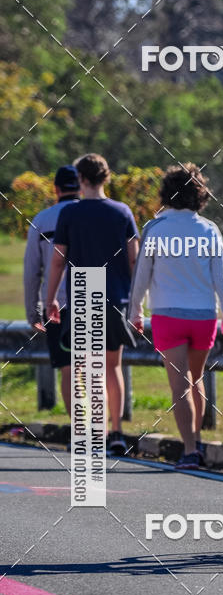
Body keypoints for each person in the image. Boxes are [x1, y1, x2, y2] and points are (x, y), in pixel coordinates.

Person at [129, 163, 223, 470]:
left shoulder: (154, 228)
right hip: (204, 316)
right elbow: (222, 280)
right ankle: (198, 440)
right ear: (199, 195)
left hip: (167, 315)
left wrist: (135, 311)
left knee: (179, 385)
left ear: (166, 193)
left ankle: (190, 450)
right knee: (196, 378)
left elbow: (141, 278)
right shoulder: (209, 230)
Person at [46, 153, 140, 455]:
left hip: (84, 295)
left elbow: (58, 261)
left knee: (83, 367)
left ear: (81, 179)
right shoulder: (122, 212)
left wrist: (49, 300)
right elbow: (134, 259)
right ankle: (116, 432)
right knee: (113, 367)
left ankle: (85, 432)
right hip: (116, 297)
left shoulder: (70, 214)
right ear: (106, 177)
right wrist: (138, 304)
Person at [23, 166, 80, 414]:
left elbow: (32, 271)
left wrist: (33, 311)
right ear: (81, 185)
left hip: (56, 304)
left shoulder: (42, 220)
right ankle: (102, 432)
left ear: (55, 189)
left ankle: (79, 432)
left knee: (69, 366)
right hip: (94, 298)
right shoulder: (91, 215)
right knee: (93, 366)